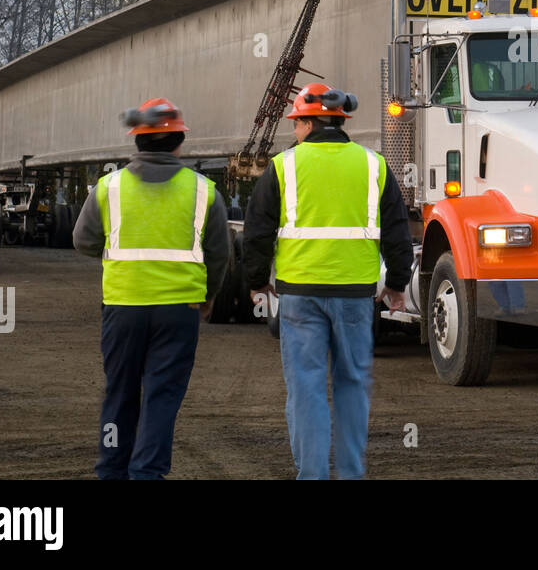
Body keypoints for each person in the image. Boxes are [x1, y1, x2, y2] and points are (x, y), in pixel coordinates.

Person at [242, 82, 413, 480]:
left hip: (300, 295)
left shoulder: (283, 167)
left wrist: (256, 281)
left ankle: (313, 475)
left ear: (308, 122)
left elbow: (257, 231)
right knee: (352, 385)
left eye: (296, 123)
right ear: (339, 121)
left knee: (306, 388)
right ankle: (351, 474)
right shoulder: (373, 165)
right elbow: (397, 231)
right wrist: (398, 284)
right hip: (355, 296)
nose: (294, 131)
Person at [73, 97, 230, 480]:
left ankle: (111, 468)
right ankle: (147, 472)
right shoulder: (203, 190)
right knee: (162, 396)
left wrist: (120, 260)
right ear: (179, 141)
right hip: (179, 311)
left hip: (122, 307)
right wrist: (207, 298)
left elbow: (83, 240)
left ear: (137, 142)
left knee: (119, 392)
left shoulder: (108, 187)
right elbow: (220, 255)